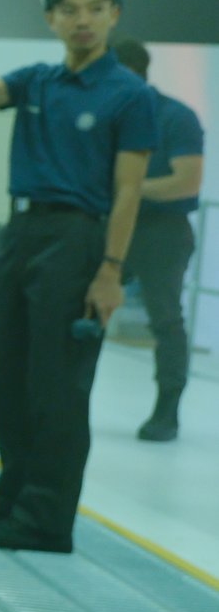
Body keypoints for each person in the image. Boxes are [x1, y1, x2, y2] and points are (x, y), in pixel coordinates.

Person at [0, 0, 154, 550]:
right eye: (69, 10)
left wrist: (110, 272)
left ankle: (47, 520)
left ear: (114, 15)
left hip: (78, 238)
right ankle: (12, 499)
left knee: (56, 386)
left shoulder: (130, 96)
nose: (83, 20)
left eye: (95, 9)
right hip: (21, 232)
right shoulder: (36, 82)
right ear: (50, 20)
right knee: (8, 376)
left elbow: (128, 191)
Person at [110, 38, 204, 441]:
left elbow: (187, 181)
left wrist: (131, 187)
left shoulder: (175, 117)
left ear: (132, 71)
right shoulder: (108, 117)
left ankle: (168, 409)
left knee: (165, 318)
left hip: (160, 230)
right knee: (80, 307)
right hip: (113, 221)